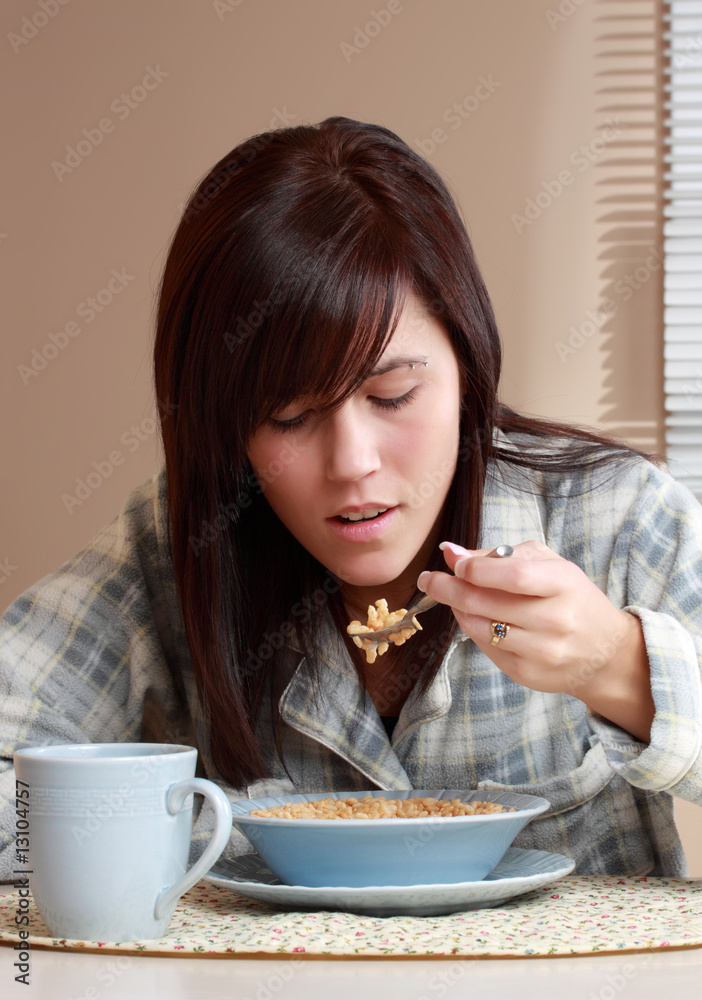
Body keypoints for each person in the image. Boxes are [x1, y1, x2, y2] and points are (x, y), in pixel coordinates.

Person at [1, 116, 701, 880]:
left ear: (467, 364)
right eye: (290, 417)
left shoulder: (614, 517)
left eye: (393, 395)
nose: (353, 463)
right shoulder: (180, 543)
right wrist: (178, 828)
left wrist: (618, 664)